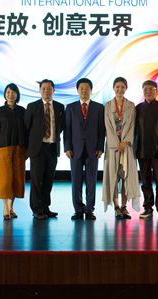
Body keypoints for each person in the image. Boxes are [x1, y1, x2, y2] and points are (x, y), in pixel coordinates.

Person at [64, 78, 105, 220]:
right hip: (75, 150)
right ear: (77, 90)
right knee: (76, 181)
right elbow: (67, 129)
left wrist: (100, 147)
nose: (84, 91)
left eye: (87, 88)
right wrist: (67, 148)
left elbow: (101, 130)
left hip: (93, 150)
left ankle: (89, 209)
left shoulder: (99, 108)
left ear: (91, 90)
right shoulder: (70, 107)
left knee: (91, 181)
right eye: (81, 88)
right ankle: (78, 209)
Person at [25, 79, 65, 220]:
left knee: (48, 180)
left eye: (49, 88)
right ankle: (36, 209)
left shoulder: (60, 107)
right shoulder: (32, 106)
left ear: (54, 90)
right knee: (36, 180)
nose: (46, 91)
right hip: (38, 149)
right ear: (40, 90)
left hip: (52, 148)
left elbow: (61, 127)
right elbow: (27, 128)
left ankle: (45, 207)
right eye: (44, 88)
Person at [102, 77, 141, 219]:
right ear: (114, 88)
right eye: (117, 87)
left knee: (126, 177)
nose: (120, 89)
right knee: (113, 177)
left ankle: (124, 207)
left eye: (122, 87)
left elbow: (132, 126)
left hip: (127, 147)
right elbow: (107, 127)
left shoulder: (131, 105)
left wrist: (125, 142)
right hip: (113, 148)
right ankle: (116, 207)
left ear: (126, 88)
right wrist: (116, 144)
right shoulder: (108, 106)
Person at [135, 80, 158, 220]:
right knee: (145, 182)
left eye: (151, 89)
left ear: (156, 91)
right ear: (143, 91)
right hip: (142, 151)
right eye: (146, 89)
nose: (148, 91)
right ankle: (148, 208)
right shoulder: (138, 108)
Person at [0, 83, 27, 220]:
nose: (10, 95)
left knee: (16, 180)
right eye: (8, 92)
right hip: (3, 149)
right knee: (4, 180)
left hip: (19, 149)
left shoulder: (22, 111)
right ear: (5, 94)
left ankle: (11, 207)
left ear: (17, 95)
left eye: (13, 92)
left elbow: (27, 131)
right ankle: (5, 209)